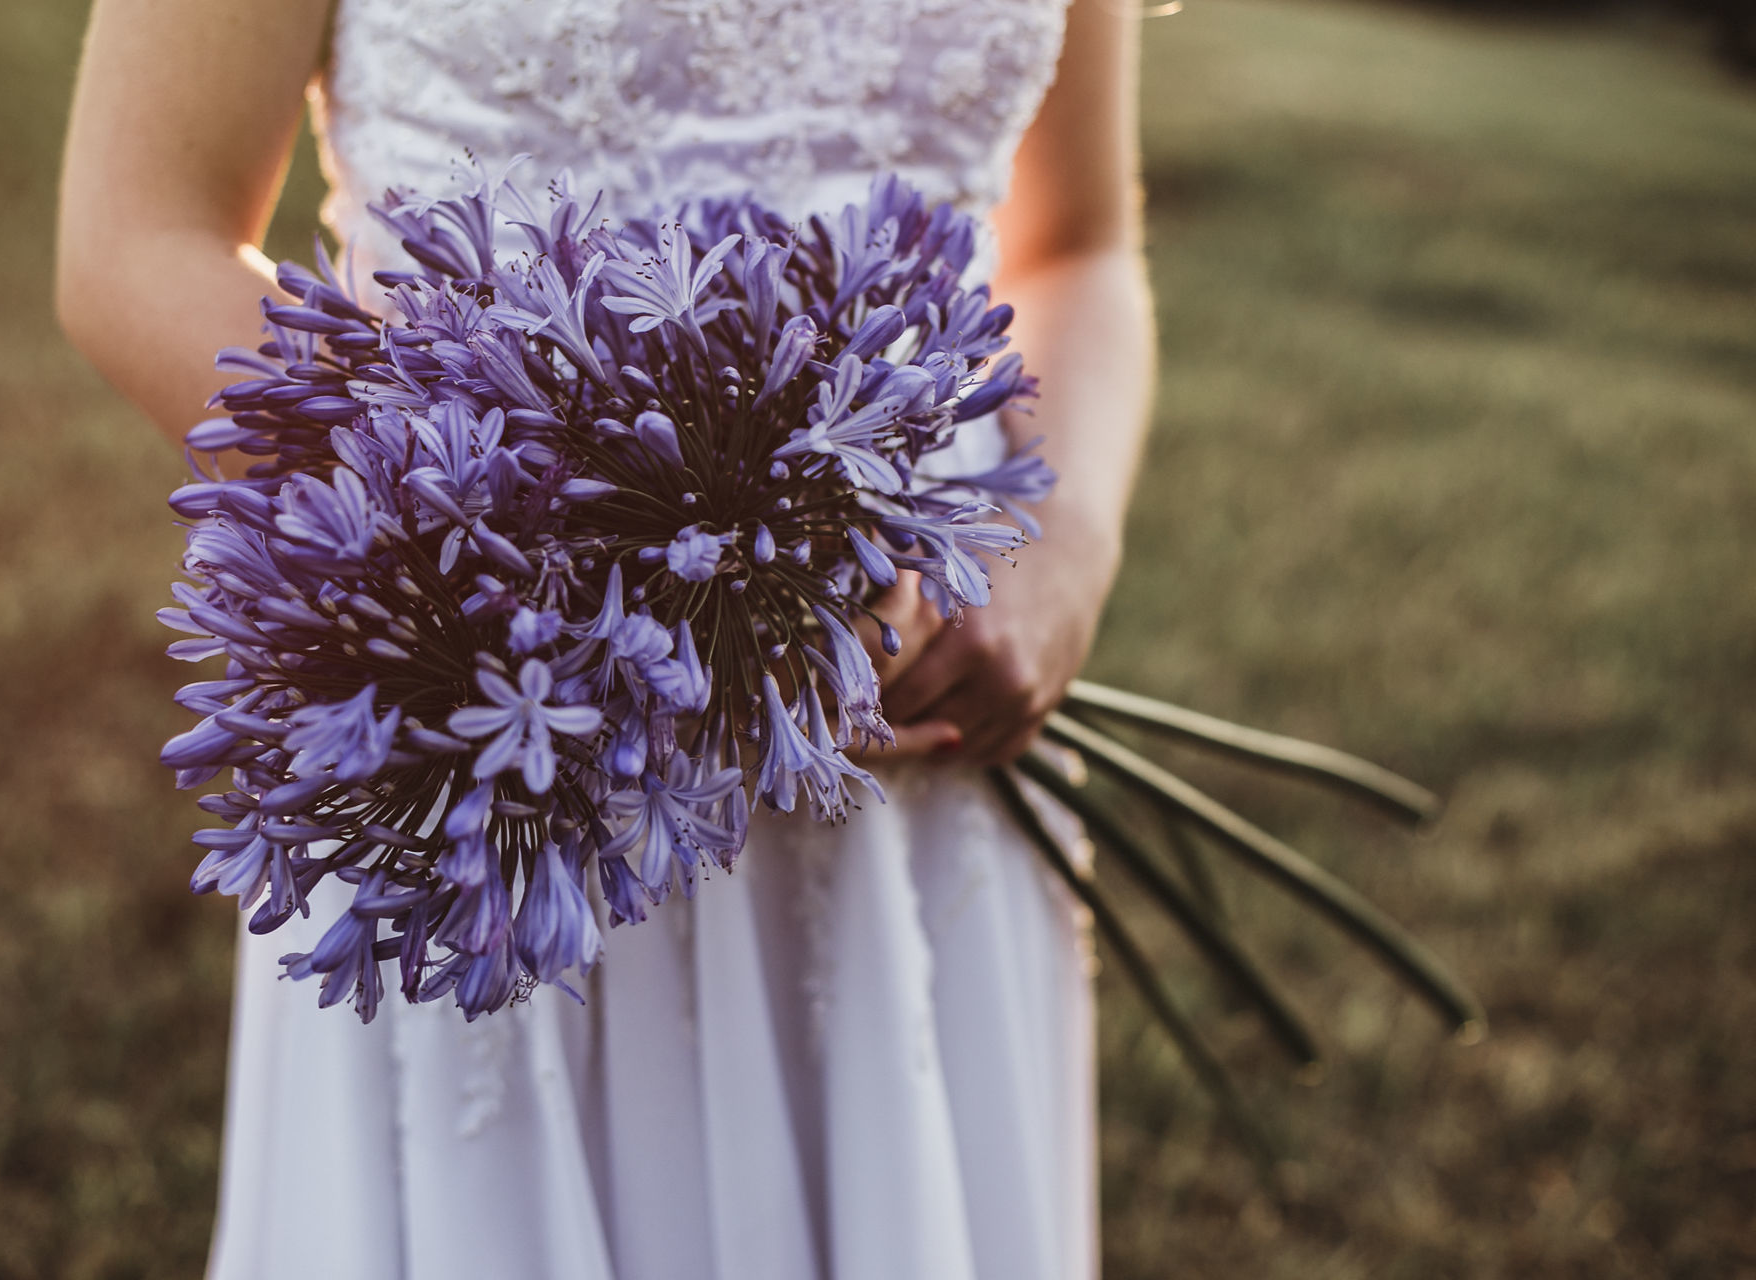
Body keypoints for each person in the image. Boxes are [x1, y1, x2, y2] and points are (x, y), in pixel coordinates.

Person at [58, 2, 1155, 1275]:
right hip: (492, 684)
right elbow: (134, 237)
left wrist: (1062, 551)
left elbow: (1077, 244)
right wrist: (535, 558)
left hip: (919, 678)